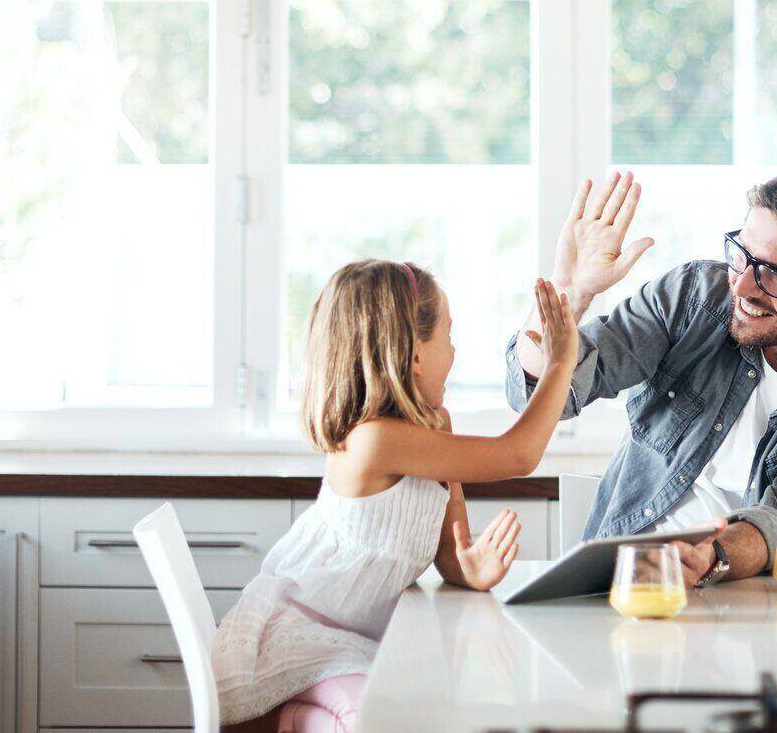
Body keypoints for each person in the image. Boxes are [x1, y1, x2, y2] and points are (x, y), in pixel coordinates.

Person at [507, 164, 777, 587]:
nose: (742, 287)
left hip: (757, 608)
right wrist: (569, 292)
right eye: (741, 255)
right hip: (626, 584)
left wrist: (711, 558)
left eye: (772, 275)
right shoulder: (693, 297)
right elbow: (542, 398)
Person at [214, 260, 579, 733]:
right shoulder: (373, 441)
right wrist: (559, 365)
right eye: (448, 335)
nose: (455, 349)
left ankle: (296, 721)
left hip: (354, 640)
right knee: (380, 720)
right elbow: (517, 455)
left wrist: (471, 568)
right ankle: (285, 720)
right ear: (414, 355)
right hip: (301, 636)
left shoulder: (434, 427)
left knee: (413, 709)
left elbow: (452, 554)